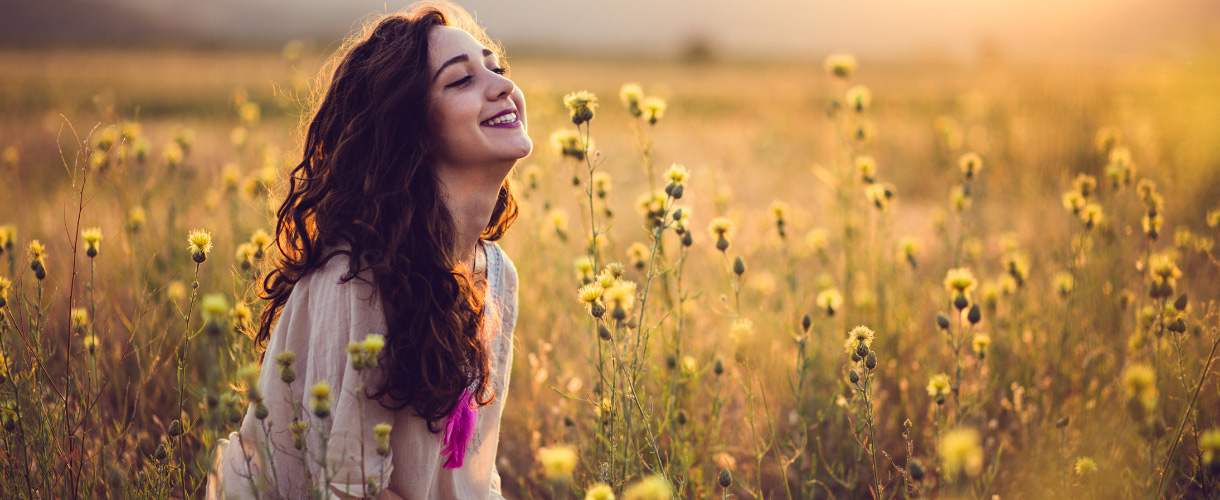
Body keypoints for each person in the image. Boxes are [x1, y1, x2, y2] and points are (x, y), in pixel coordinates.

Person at [207, 1, 529, 498]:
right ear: (413, 130)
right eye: (461, 80)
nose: (503, 85)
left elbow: (475, 478)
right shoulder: (357, 280)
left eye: (496, 68)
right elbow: (348, 491)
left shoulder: (497, 276)